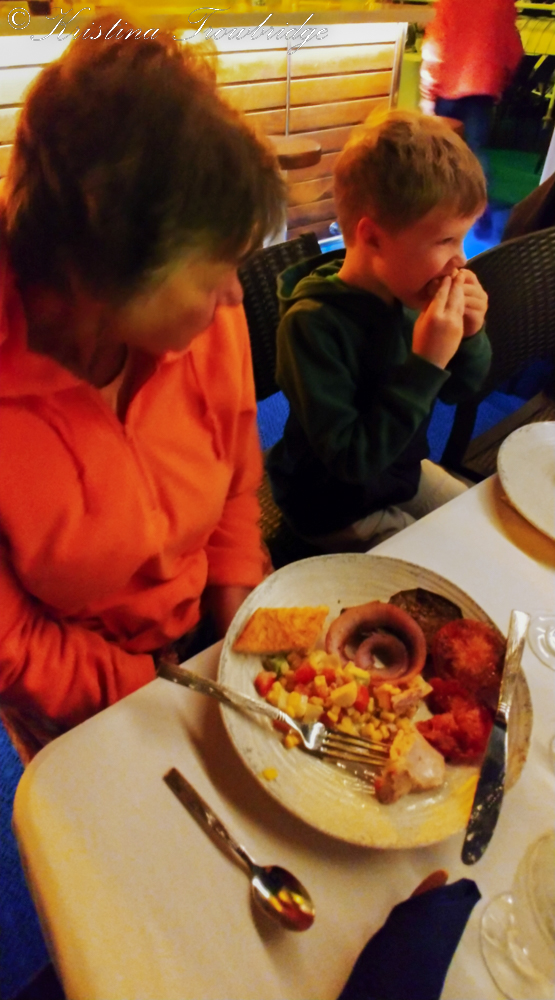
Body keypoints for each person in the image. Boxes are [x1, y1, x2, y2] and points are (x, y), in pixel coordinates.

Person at [0, 21, 284, 755]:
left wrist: (235, 607)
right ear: (101, 266)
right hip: (81, 709)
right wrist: (151, 688)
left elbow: (236, 481)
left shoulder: (206, 325)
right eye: (213, 272)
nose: (234, 296)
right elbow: (13, 643)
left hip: (202, 645)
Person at [267, 110, 491, 553]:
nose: (461, 259)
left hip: (399, 474)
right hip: (333, 506)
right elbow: (352, 461)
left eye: (462, 239)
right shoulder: (312, 325)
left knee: (480, 529)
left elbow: (461, 389)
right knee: (440, 564)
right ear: (372, 238)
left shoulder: (408, 294)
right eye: (445, 241)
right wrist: (426, 362)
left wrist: (470, 336)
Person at [420, 0, 523, 185]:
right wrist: (501, 79)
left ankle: (439, 198)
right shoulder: (503, 3)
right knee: (475, 151)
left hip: (447, 87)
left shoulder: (448, 2)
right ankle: (478, 198)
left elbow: (434, 46)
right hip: (482, 88)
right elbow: (513, 49)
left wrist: (428, 92)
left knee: (441, 152)